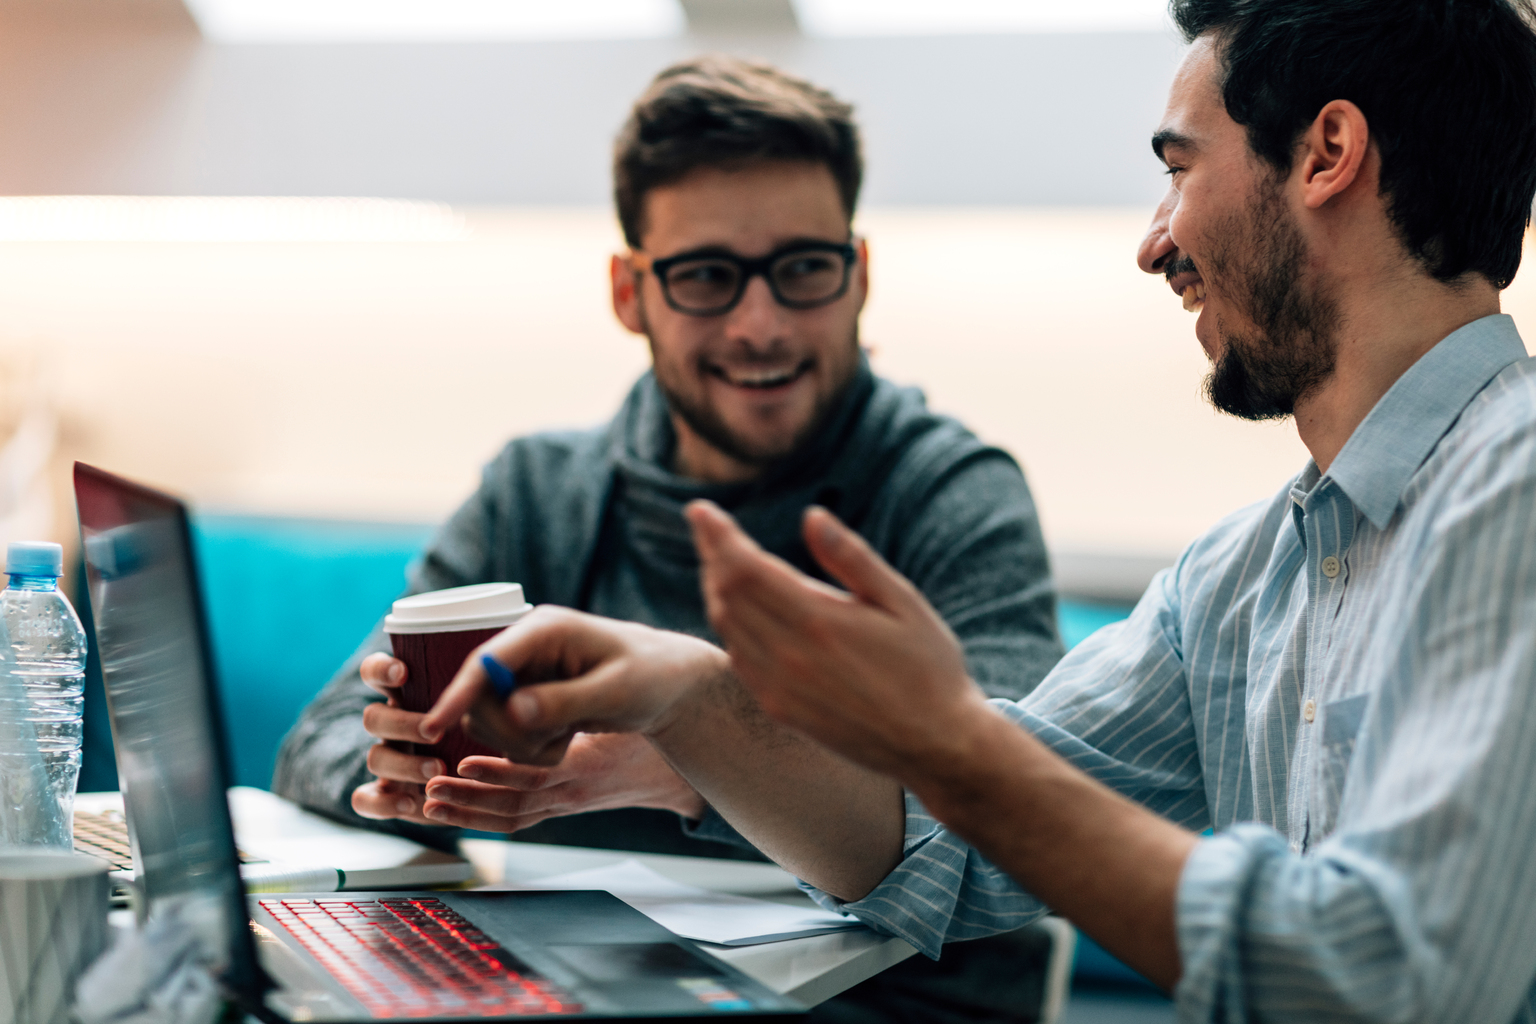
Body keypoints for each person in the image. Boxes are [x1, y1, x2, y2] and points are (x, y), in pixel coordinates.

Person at [423, 1, 1536, 1020]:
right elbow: (950, 846)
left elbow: (1397, 978)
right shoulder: (1241, 580)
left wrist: (950, 737)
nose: (1155, 242)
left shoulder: (1515, 485)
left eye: (1179, 172)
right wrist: (693, 696)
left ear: (1327, 156)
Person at [274, 56, 1066, 1021]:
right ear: (629, 292)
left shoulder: (949, 492)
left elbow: (1016, 813)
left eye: (804, 269)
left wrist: (683, 754)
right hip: (556, 993)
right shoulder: (539, 489)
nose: (760, 324)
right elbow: (317, 744)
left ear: (859, 277)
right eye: (705, 278)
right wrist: (412, 769)